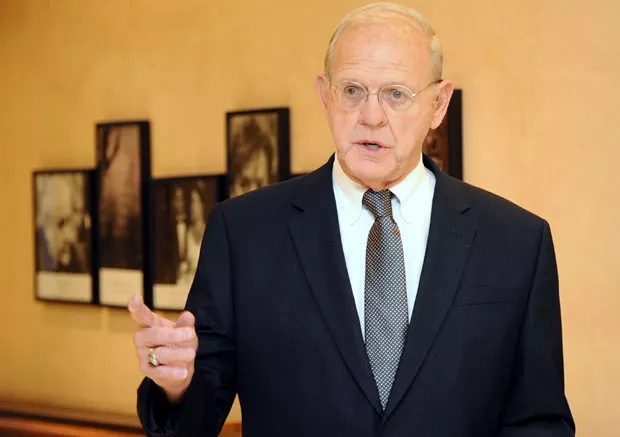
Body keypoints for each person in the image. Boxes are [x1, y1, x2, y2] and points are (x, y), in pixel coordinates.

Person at [129, 3, 575, 436]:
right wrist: (174, 384)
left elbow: (541, 420)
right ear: (325, 95)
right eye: (352, 91)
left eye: (396, 94)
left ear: (439, 104)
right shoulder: (243, 234)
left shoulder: (516, 242)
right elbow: (195, 417)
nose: (371, 117)